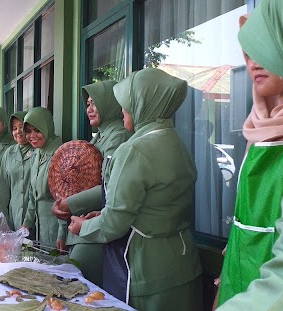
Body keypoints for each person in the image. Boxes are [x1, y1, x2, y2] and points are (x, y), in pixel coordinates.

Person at [69, 68, 203, 311]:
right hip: (184, 266)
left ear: (143, 104)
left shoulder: (134, 150)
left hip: (148, 273)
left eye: (127, 104)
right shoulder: (177, 142)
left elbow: (113, 225)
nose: (122, 111)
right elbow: (155, 206)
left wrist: (83, 227)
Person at [217, 1, 283, 309]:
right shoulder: (255, 128)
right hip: (239, 273)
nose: (254, 62)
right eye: (248, 53)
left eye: (265, 49)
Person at [52, 81, 131, 287]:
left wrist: (69, 203)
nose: (90, 109)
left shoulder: (118, 136)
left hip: (97, 229)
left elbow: (110, 186)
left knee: (79, 287)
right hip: (83, 225)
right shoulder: (100, 137)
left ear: (111, 103)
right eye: (87, 104)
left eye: (95, 103)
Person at [21, 107, 63, 249]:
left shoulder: (61, 154)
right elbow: (33, 195)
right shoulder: (37, 154)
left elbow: (64, 199)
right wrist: (26, 224)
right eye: (28, 131)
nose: (32, 135)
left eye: (37, 130)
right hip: (40, 231)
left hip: (57, 230)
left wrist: (62, 234)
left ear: (47, 128)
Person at [0, 111, 34, 230]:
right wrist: (1, 220)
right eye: (14, 128)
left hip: (33, 215)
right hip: (13, 214)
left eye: (21, 127)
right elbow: (3, 189)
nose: (18, 131)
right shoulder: (9, 153)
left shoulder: (37, 150)